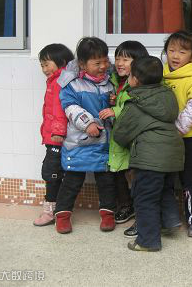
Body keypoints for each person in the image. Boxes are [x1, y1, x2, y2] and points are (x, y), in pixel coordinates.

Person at [113, 56, 185, 252]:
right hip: (172, 155)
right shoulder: (168, 96)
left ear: (135, 79)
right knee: (164, 190)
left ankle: (147, 241)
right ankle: (170, 221)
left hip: (150, 159)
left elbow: (120, 134)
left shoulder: (136, 104)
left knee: (145, 198)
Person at [53, 37, 116, 234]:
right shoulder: (72, 85)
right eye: (97, 63)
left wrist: (113, 103)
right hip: (79, 142)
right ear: (82, 64)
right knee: (72, 181)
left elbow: (111, 110)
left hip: (103, 142)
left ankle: (108, 213)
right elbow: (70, 108)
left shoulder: (109, 83)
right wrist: (87, 123)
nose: (103, 66)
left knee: (106, 181)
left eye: (105, 61)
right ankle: (62, 215)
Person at [99, 41, 149, 237]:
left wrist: (116, 110)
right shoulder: (114, 80)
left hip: (135, 140)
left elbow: (138, 107)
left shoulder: (142, 82)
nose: (119, 63)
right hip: (119, 138)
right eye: (118, 58)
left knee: (136, 178)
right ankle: (127, 206)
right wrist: (114, 101)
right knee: (119, 173)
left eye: (125, 59)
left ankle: (140, 215)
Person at [162, 31, 192, 237]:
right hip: (164, 137)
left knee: (189, 178)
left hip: (188, 137)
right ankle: (168, 218)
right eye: (171, 50)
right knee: (165, 178)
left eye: (182, 51)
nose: (175, 55)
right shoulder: (161, 74)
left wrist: (178, 129)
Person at [33, 43, 74, 226]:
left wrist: (57, 132)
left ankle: (50, 212)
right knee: (56, 173)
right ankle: (57, 209)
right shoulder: (56, 80)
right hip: (55, 137)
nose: (44, 69)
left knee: (52, 173)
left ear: (62, 62)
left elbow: (59, 109)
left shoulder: (60, 82)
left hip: (57, 138)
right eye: (42, 65)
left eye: (47, 64)